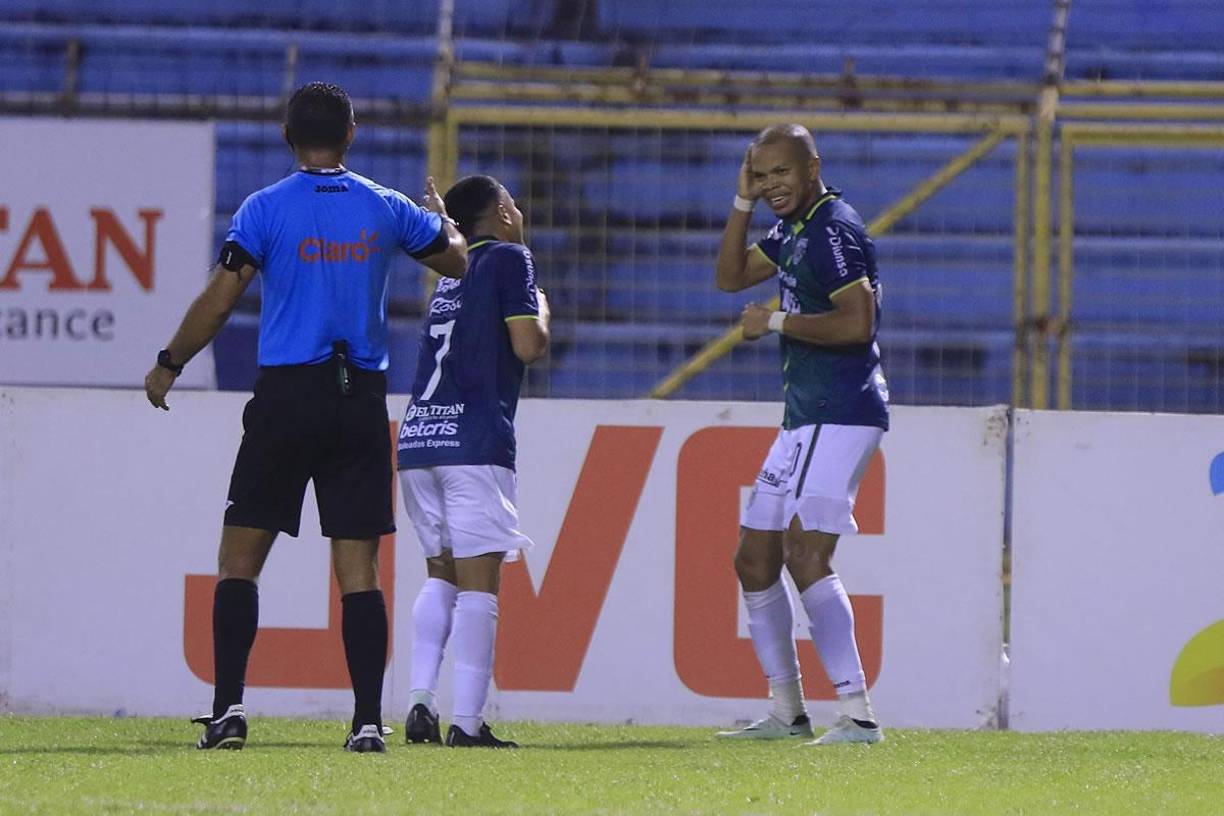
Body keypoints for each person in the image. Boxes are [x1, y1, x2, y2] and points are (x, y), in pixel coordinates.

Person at [143, 81, 467, 753]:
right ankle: (368, 723)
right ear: (351, 135)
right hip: (358, 399)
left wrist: (170, 360)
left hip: (288, 398)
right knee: (359, 570)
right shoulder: (385, 206)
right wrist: (446, 218)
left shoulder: (264, 210)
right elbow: (458, 260)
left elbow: (221, 295)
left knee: (238, 561)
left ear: (287, 137)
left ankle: (229, 710)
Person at [712, 123, 889, 745]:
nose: (771, 186)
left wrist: (778, 321)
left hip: (838, 411)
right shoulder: (791, 230)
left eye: (780, 173)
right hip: (805, 416)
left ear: (812, 166)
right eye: (761, 177)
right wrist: (741, 201)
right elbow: (730, 276)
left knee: (805, 554)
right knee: (754, 558)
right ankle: (787, 712)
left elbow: (858, 323)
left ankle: (859, 715)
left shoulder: (832, 230)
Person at [395, 175, 549, 749]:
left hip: (418, 441)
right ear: (503, 215)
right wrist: (541, 305)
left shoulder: (448, 276)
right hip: (472, 442)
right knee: (480, 585)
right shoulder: (512, 258)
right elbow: (528, 346)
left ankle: (417, 703)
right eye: (513, 201)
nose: (518, 209)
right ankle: (466, 722)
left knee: (441, 573)